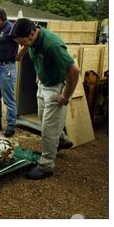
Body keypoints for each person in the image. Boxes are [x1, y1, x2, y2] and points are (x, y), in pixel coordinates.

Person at [11, 18, 80, 180]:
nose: (22, 46)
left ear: (32, 33)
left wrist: (66, 95)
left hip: (56, 88)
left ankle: (46, 164)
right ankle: (62, 139)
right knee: (44, 119)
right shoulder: (33, 40)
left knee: (48, 128)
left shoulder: (52, 44)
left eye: (23, 42)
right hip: (44, 84)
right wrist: (38, 75)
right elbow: (33, 55)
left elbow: (74, 70)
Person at [0, 7, 27, 137]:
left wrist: (19, 56)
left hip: (7, 68)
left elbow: (26, 43)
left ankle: (11, 126)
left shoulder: (11, 28)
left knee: (8, 100)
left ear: (0, 18)